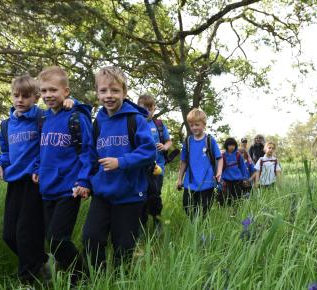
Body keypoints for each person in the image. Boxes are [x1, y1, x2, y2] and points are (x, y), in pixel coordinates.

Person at [82, 66, 156, 270]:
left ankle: (119, 280)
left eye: (115, 91)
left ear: (124, 92)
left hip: (130, 195)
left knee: (123, 247)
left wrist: (120, 161)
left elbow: (149, 151)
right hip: (102, 194)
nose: (109, 95)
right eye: (103, 91)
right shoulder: (97, 123)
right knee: (91, 238)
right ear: (97, 93)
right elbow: (89, 155)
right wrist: (84, 182)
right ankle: (96, 278)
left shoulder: (136, 120)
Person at [0, 75, 60, 283]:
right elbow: (5, 153)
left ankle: (27, 281)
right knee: (10, 235)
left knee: (26, 233)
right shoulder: (6, 125)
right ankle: (42, 260)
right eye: (16, 95)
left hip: (35, 182)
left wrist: (38, 168)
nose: (20, 100)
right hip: (15, 183)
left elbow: (49, 147)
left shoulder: (43, 119)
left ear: (36, 97)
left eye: (26, 96)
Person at [34, 66, 93, 281]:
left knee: (58, 238)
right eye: (44, 91)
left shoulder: (76, 117)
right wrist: (38, 168)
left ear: (66, 91)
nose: (48, 95)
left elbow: (87, 152)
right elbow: (43, 149)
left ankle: (82, 277)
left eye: (53, 90)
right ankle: (65, 275)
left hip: (70, 188)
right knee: (53, 240)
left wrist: (84, 180)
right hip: (47, 188)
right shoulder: (44, 118)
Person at [176, 108, 223, 219]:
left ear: (204, 124)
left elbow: (219, 158)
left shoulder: (210, 140)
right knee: (187, 207)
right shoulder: (187, 142)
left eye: (197, 124)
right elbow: (183, 162)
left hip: (207, 181)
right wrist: (179, 179)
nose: (194, 128)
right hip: (190, 182)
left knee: (204, 210)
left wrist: (219, 172)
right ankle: (193, 227)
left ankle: (201, 231)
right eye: (191, 125)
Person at [136, 94, 172, 229]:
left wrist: (164, 146)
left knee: (155, 195)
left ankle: (158, 222)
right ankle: (141, 224)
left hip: (158, 168)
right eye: (143, 108)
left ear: (154, 109)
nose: (146, 111)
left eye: (149, 108)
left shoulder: (159, 125)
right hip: (140, 168)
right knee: (141, 197)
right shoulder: (135, 123)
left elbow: (168, 141)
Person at [219, 137, 249, 205]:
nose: (231, 147)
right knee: (225, 200)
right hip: (226, 182)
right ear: (226, 146)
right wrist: (220, 180)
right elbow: (219, 169)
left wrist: (245, 178)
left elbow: (243, 167)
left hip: (237, 181)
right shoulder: (223, 156)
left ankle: (237, 213)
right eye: (229, 145)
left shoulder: (238, 155)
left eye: (233, 145)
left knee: (238, 199)